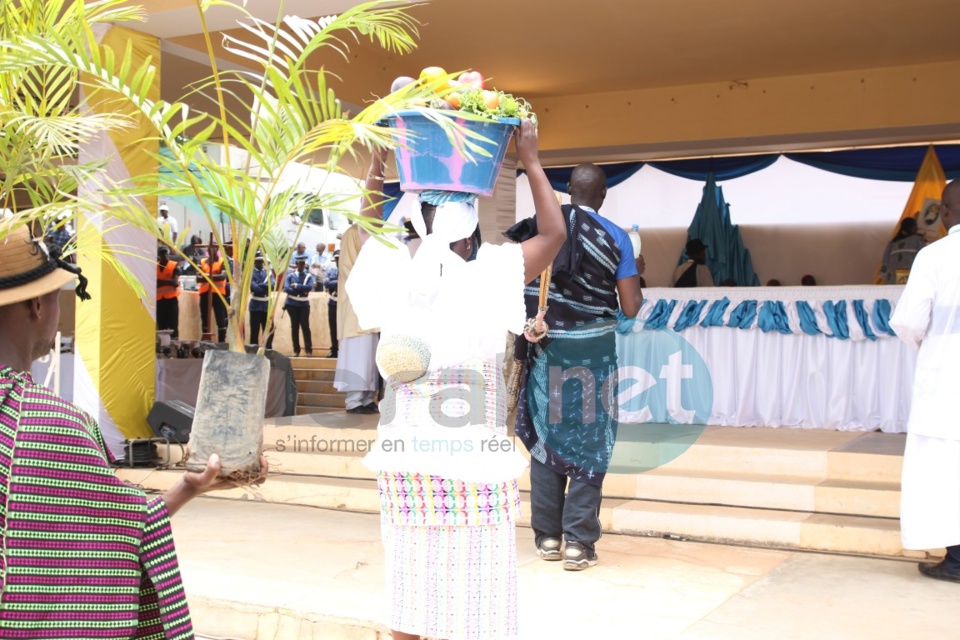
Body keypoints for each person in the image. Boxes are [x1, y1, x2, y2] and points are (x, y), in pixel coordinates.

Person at [347, 119, 565, 640]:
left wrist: (377, 164)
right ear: (468, 228)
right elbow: (555, 234)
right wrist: (530, 161)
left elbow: (364, 227)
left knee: (409, 583)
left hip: (404, 455)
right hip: (474, 457)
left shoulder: (394, 263)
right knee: (479, 593)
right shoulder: (494, 268)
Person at [0, 218, 262, 637]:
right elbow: (122, 530)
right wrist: (189, 488)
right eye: (55, 297)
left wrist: (189, 487)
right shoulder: (53, 426)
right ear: (36, 307)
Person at [508, 162, 643, 572]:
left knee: (547, 439)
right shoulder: (617, 236)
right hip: (593, 356)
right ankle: (578, 543)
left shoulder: (537, 228)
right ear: (602, 196)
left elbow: (513, 286)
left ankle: (547, 536)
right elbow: (631, 306)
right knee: (589, 439)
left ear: (568, 191)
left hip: (544, 348)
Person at [890, 179, 960, 584]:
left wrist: (931, 346)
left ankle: (957, 559)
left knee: (945, 470)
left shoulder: (935, 255)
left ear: (946, 213)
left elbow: (907, 321)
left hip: (947, 380)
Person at [335, 223, 380, 413]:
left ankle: (368, 398)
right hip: (357, 306)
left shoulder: (377, 232)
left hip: (374, 306)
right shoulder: (353, 233)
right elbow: (348, 268)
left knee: (370, 357)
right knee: (357, 355)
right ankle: (354, 401)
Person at [879, 217, 926, 284]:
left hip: (893, 280)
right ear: (913, 227)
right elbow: (925, 257)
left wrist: (885, 276)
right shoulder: (917, 240)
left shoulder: (893, 243)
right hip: (912, 279)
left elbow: (885, 261)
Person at [283, 255, 315, 356]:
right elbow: (287, 288)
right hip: (292, 304)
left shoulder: (308, 276)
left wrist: (296, 286)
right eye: (299, 264)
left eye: (303, 264)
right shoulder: (290, 276)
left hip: (304, 304)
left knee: (305, 326)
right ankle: (296, 350)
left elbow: (309, 287)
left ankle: (308, 350)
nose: (301, 266)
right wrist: (302, 289)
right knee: (295, 327)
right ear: (296, 264)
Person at [199, 246, 228, 343]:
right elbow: (198, 278)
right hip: (205, 293)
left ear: (217, 249)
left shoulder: (222, 261)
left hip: (218, 293)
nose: (212, 250)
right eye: (210, 249)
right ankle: (206, 341)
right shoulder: (202, 262)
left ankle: (221, 342)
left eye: (214, 248)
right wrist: (213, 276)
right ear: (207, 251)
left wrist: (206, 276)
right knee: (205, 318)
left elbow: (222, 276)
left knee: (220, 318)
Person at [249, 253, 275, 348]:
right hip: (256, 306)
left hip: (267, 305)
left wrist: (260, 284)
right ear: (255, 262)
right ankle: (253, 350)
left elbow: (272, 286)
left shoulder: (267, 273)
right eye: (259, 261)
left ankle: (268, 349)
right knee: (255, 331)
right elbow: (254, 288)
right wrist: (264, 286)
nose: (261, 263)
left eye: (262, 261)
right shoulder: (251, 273)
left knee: (269, 330)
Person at [156, 245, 181, 339]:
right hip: (159, 301)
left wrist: (160, 282)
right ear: (159, 256)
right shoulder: (155, 266)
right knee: (162, 327)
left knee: (173, 326)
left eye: (166, 253)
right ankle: (164, 347)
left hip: (171, 300)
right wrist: (168, 282)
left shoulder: (174, 266)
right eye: (162, 254)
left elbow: (175, 282)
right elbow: (154, 283)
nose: (164, 255)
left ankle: (174, 346)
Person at [325, 250, 339, 358]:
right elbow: (327, 283)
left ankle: (343, 350)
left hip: (344, 303)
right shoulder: (332, 271)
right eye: (336, 259)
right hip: (333, 301)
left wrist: (334, 282)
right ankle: (334, 349)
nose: (338, 261)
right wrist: (337, 282)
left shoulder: (348, 269)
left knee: (344, 328)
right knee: (333, 327)